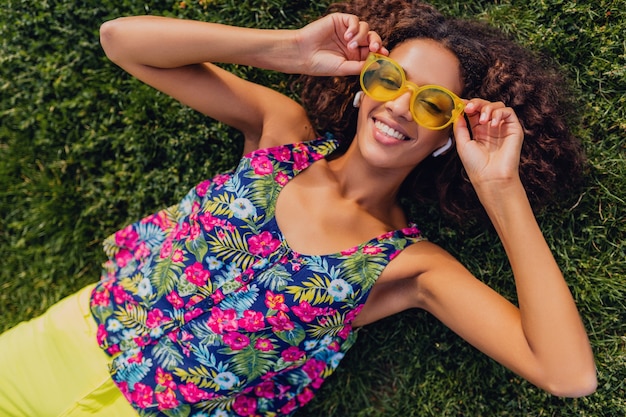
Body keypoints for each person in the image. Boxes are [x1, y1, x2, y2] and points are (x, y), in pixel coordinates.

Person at [0, 0, 597, 416]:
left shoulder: (410, 267)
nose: (399, 108)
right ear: (367, 84)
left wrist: (500, 188)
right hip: (53, 347)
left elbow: (567, 375)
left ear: (447, 134)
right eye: (390, 81)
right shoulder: (283, 136)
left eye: (432, 103)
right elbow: (121, 40)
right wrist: (287, 50)